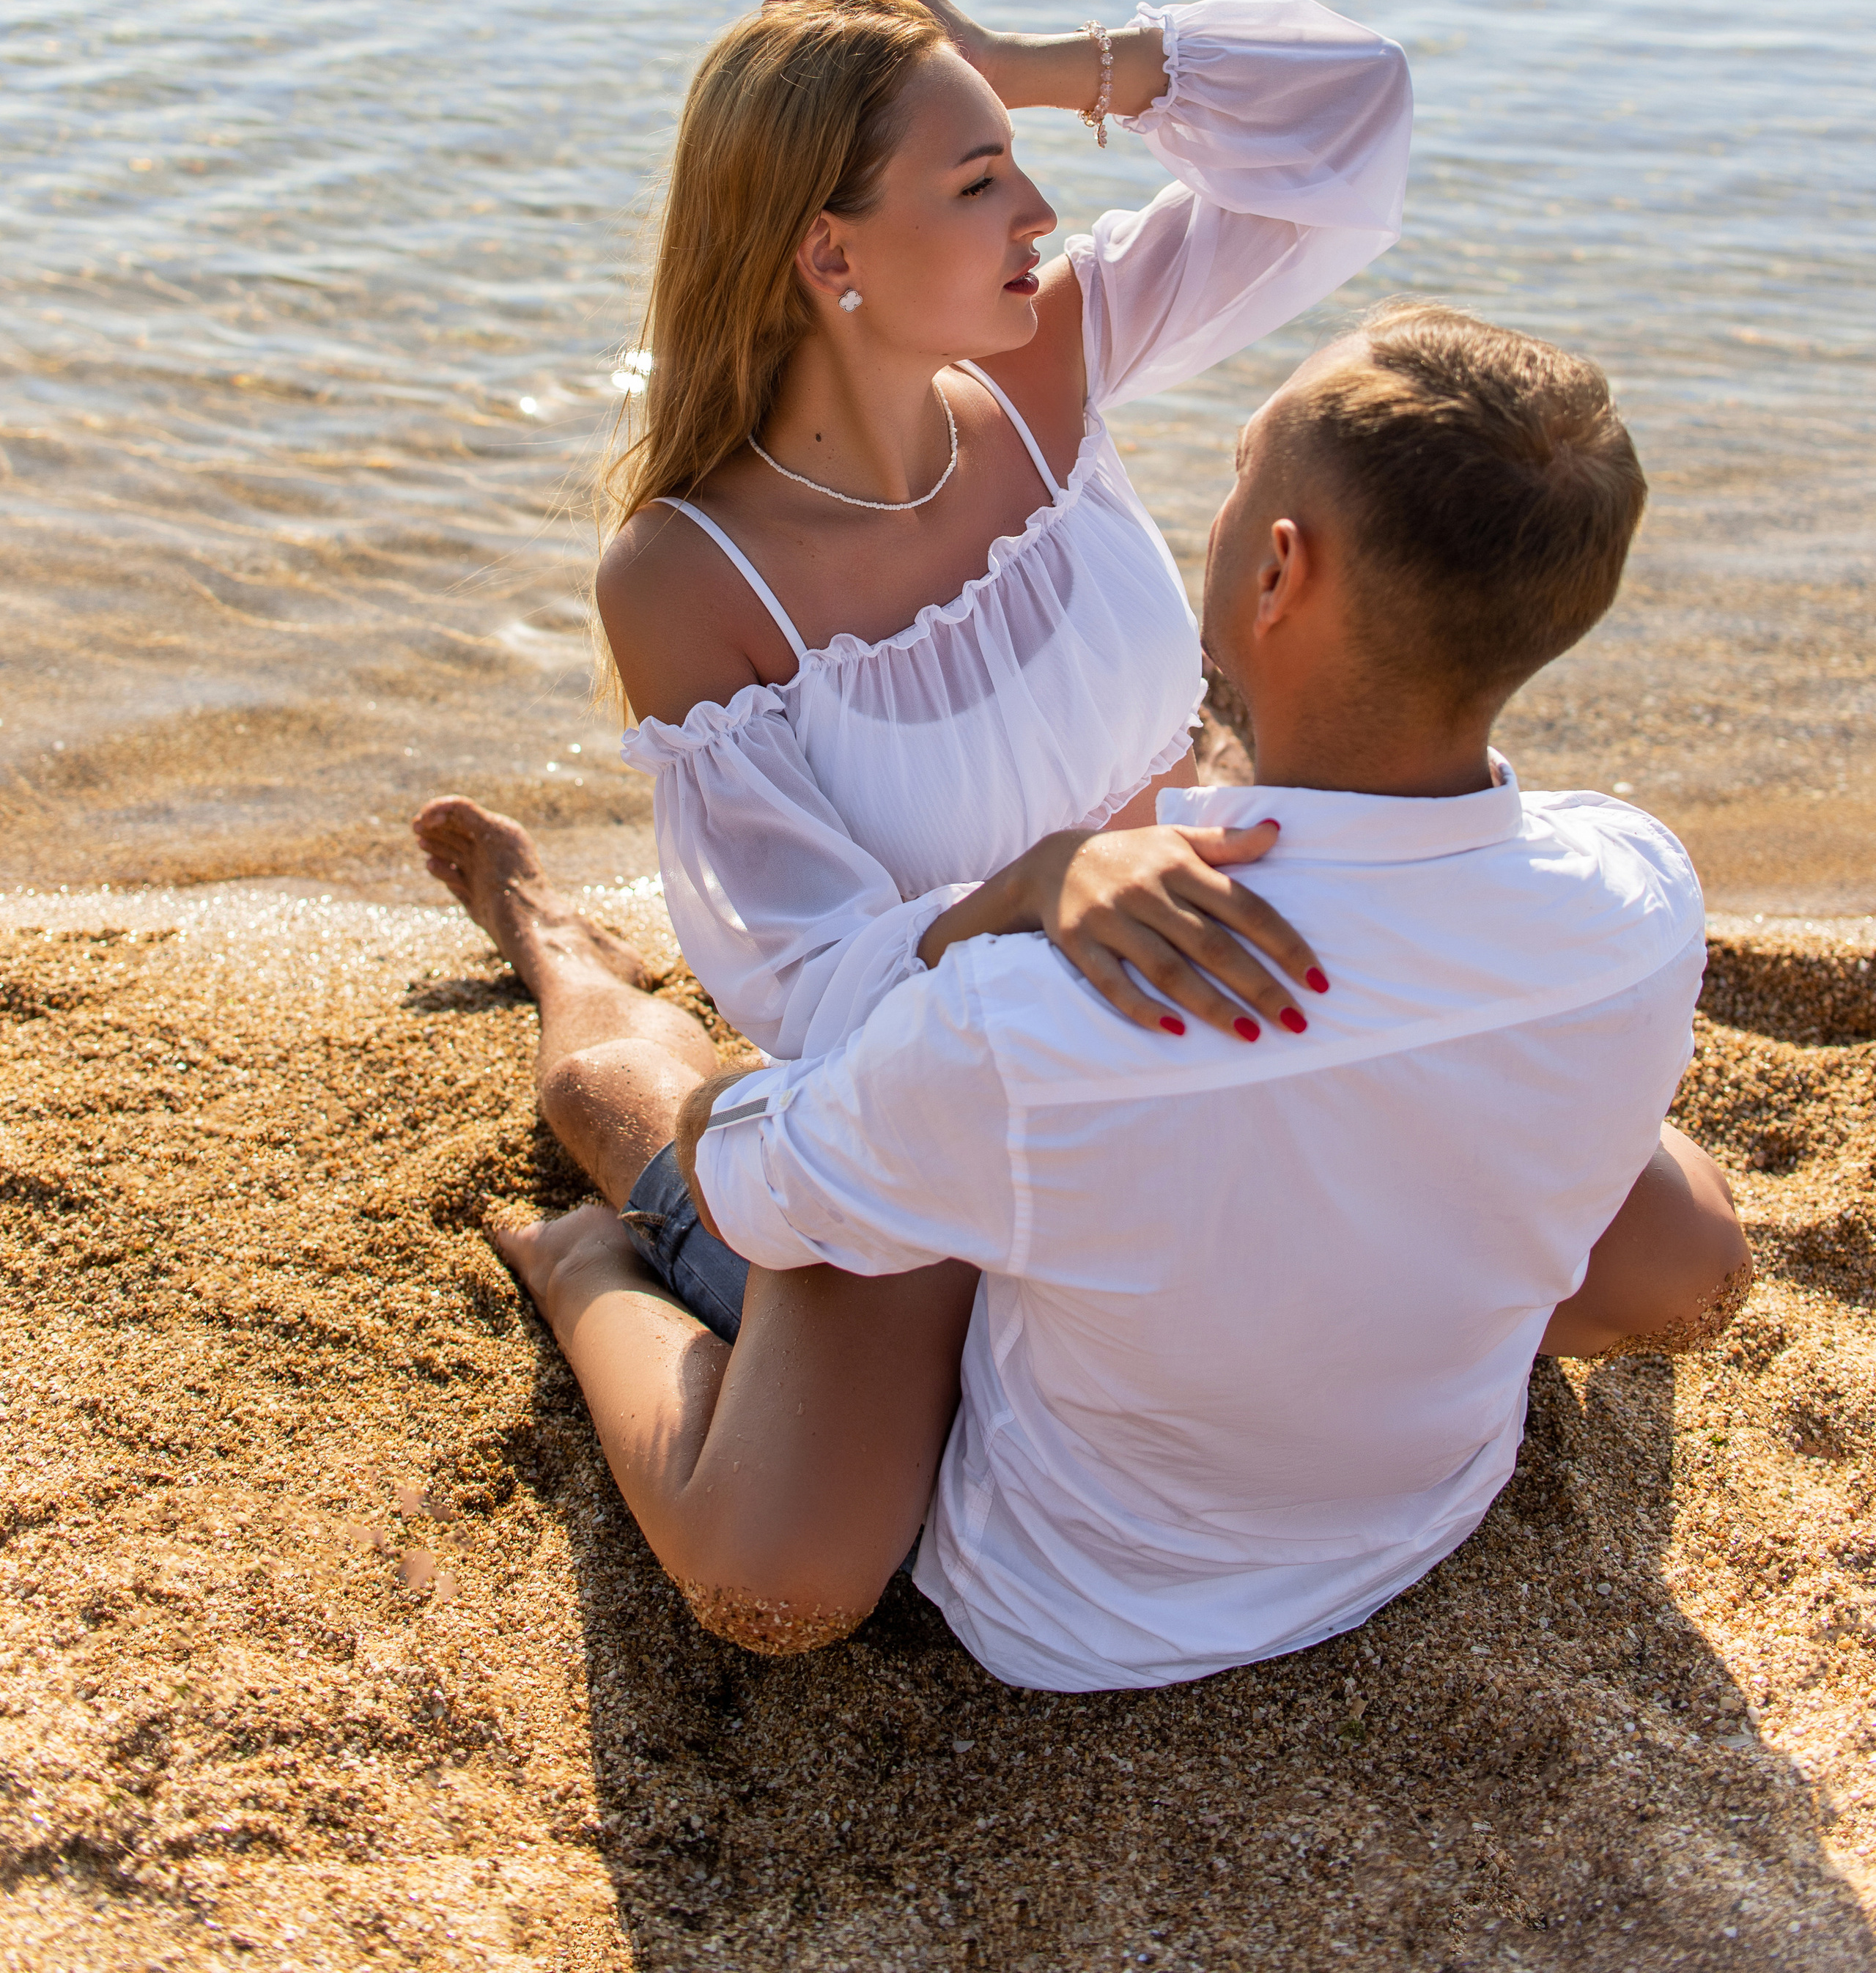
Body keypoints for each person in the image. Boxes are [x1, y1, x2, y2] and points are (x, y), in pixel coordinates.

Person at [432, 304, 1749, 1690]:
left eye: (1241, 468)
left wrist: (975, 922)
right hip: (1418, 1490)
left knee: (667, 1199)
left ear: (1279, 574)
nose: (1221, 501)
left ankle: (576, 1149)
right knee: (1666, 1236)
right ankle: (566, 945)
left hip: (1081, 1600)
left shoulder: (1038, 1018)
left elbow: (747, 1163)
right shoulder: (1638, 890)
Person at [417, 0, 1412, 1477]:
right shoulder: (691, 575)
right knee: (811, 1523)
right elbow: (811, 984)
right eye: (976, 181)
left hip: (1206, 994)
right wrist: (1032, 894)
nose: (1036, 215)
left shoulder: (1045, 363)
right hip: (950, 1074)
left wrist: (1016, 63)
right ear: (832, 257)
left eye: (1017, 167)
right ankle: (558, 964)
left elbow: (1351, 115)